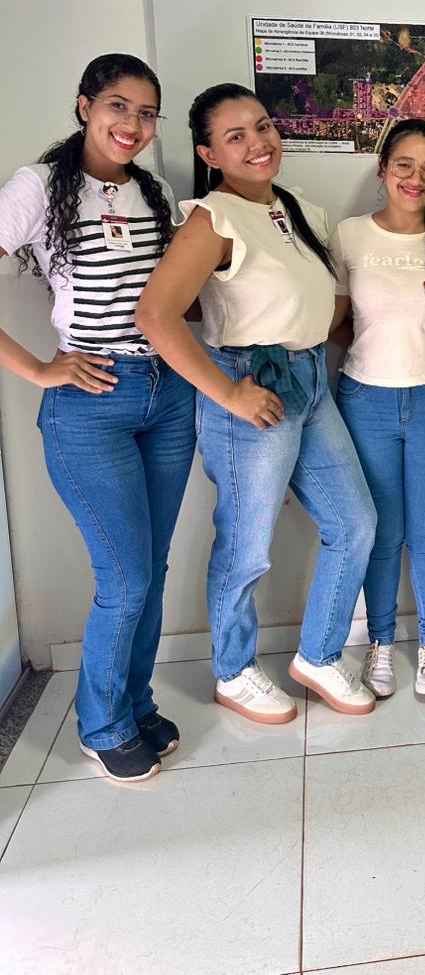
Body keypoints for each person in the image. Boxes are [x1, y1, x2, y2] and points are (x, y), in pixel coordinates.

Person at [136, 84, 377, 724]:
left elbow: (319, 300)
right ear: (208, 153)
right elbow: (156, 315)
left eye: (263, 127)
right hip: (251, 383)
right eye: (235, 136)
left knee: (355, 523)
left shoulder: (299, 209)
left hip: (310, 379)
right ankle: (233, 670)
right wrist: (228, 393)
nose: (257, 143)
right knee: (247, 545)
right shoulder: (211, 218)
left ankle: (319, 655)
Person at [0, 53, 195, 782]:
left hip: (167, 396)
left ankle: (135, 704)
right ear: (85, 105)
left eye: (146, 113)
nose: (132, 125)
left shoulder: (155, 192)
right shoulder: (39, 186)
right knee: (126, 578)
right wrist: (39, 369)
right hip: (91, 404)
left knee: (151, 568)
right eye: (118, 106)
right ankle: (102, 724)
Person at [329, 119, 425, 700]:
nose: (416, 178)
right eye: (404, 165)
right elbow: (334, 322)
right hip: (366, 399)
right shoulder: (350, 235)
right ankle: (380, 642)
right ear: (382, 168)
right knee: (382, 532)